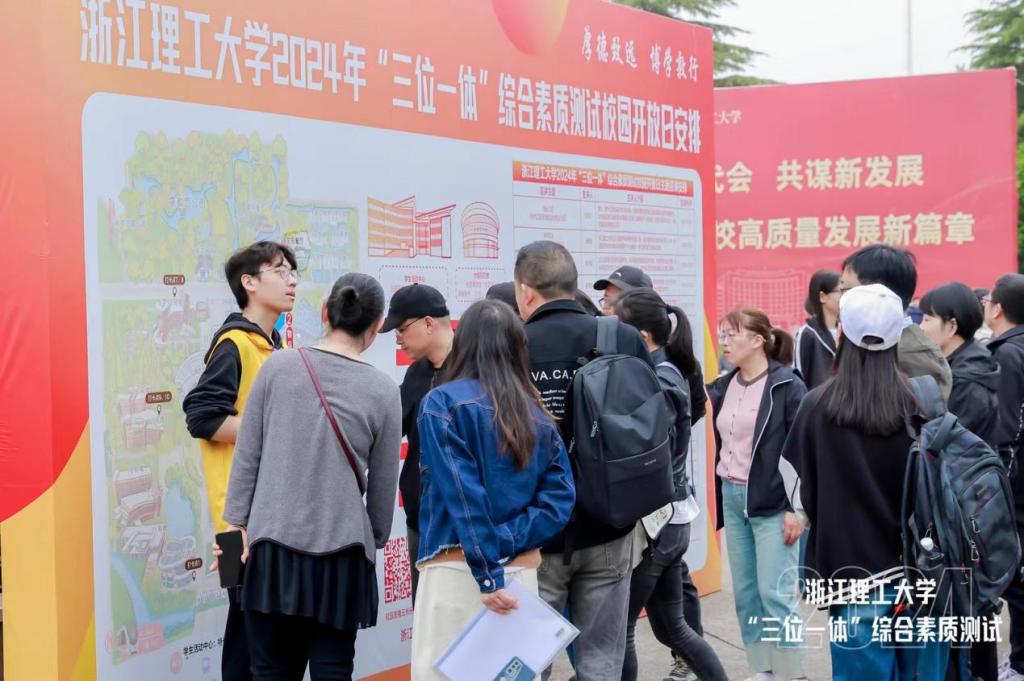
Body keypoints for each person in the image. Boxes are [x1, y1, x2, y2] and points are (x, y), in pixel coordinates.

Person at [220, 273, 402, 681]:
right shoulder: (384, 390)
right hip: (343, 556)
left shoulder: (278, 367)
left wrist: (235, 527)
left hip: (271, 550)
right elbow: (382, 492)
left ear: (324, 313)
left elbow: (247, 454)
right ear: (376, 327)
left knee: (269, 672)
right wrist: (372, 538)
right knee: (333, 672)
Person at [780, 284, 949, 680]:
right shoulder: (922, 402)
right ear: (897, 339)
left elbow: (796, 490)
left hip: (852, 577)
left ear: (842, 334)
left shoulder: (816, 406)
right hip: (921, 574)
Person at [410, 299, 576, 680]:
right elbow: (559, 500)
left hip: (457, 572)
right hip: (519, 578)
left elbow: (464, 495)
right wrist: (506, 541)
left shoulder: (442, 404)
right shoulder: (536, 413)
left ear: (464, 342)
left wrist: (487, 572)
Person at [514, 240, 653, 680]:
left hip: (534, 534)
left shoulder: (512, 346)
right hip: (610, 525)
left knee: (526, 665)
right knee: (601, 663)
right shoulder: (621, 338)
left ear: (525, 291)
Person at [183, 240, 297, 681]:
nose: (291, 280)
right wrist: (271, 428)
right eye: (279, 271)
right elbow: (202, 416)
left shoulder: (271, 347)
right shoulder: (234, 343)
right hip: (235, 526)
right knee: (251, 640)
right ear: (249, 282)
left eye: (292, 272)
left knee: (254, 636)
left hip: (269, 519)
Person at [614, 289, 727, 681]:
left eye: (618, 326)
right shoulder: (666, 371)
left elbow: (649, 449)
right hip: (671, 518)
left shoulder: (659, 378)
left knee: (623, 629)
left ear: (642, 336)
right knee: (674, 627)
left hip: (658, 522)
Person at [707, 308, 808, 681]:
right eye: (722, 334)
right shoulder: (722, 386)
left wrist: (799, 509)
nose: (724, 341)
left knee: (775, 593)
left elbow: (803, 451)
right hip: (733, 498)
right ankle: (762, 669)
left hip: (774, 502)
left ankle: (792, 673)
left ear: (757, 340)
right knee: (747, 595)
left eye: (732, 334)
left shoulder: (787, 386)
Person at [379, 283, 454, 603]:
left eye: (401, 329)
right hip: (421, 520)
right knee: (424, 617)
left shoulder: (477, 370)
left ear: (429, 323)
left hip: (465, 525)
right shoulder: (416, 374)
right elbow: (390, 428)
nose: (398, 338)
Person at [838, 244, 952, 401]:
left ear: (881, 294)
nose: (842, 301)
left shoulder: (913, 357)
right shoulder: (874, 342)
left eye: (847, 291)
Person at [981, 274, 1024, 681]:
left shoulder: (1008, 354)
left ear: (997, 309)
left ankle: (1021, 664)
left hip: (1017, 489)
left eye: (988, 299)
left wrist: (1000, 496)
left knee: (1016, 580)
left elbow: (1008, 430)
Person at [919, 282, 1000, 446]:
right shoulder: (968, 359)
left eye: (927, 319)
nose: (921, 327)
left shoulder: (966, 380)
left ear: (952, 326)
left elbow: (946, 443)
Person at [793, 270, 841, 389]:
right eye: (840, 291)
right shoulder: (807, 333)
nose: (845, 296)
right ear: (823, 297)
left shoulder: (849, 331)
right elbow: (799, 377)